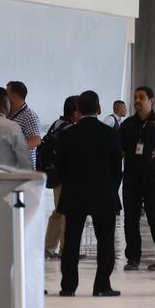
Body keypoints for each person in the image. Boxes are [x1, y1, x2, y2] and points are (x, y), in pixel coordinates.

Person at [55, 90, 123, 296]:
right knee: (105, 241)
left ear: (78, 111)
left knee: (71, 240)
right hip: (104, 195)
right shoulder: (110, 134)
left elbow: (60, 168)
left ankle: (68, 286)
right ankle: (102, 285)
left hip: (74, 194)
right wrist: (111, 188)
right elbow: (117, 169)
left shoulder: (66, 135)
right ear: (99, 109)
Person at [120, 86, 155, 271]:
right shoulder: (127, 125)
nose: (137, 101)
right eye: (135, 97)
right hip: (132, 179)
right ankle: (133, 258)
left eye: (141, 97)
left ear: (151, 100)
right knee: (130, 219)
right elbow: (120, 150)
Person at [41, 95, 80, 259]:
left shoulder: (56, 125)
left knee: (58, 211)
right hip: (66, 177)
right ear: (76, 112)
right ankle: (67, 249)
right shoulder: (69, 129)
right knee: (66, 213)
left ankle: (48, 247)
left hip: (56, 175)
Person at [6, 81, 42, 169]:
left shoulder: (29, 116)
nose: (4, 97)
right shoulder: (6, 114)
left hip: (23, 171)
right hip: (8, 169)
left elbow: (36, 140)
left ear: (14, 96)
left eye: (6, 93)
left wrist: (13, 149)